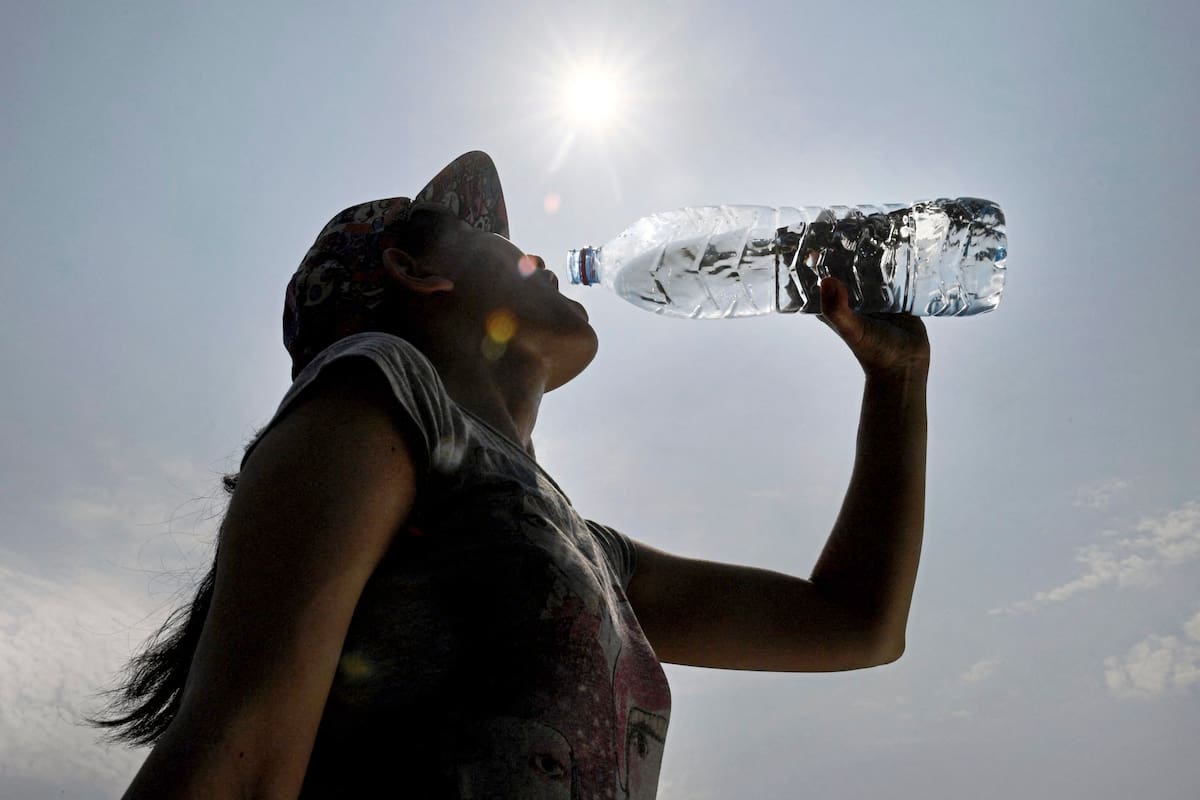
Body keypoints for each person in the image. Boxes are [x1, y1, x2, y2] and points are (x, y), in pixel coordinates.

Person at [96, 151, 929, 799]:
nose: (542, 258)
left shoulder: (582, 546)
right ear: (419, 274)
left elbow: (856, 625)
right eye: (503, 245)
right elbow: (238, 765)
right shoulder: (381, 391)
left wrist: (896, 382)